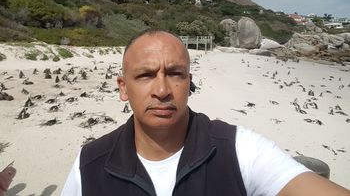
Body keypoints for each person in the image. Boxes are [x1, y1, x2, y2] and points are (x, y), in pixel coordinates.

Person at [62, 29, 350, 196]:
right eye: (146, 75)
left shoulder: (238, 150)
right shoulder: (89, 165)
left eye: (175, 74)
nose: (162, 90)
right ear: (123, 87)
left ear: (189, 82)